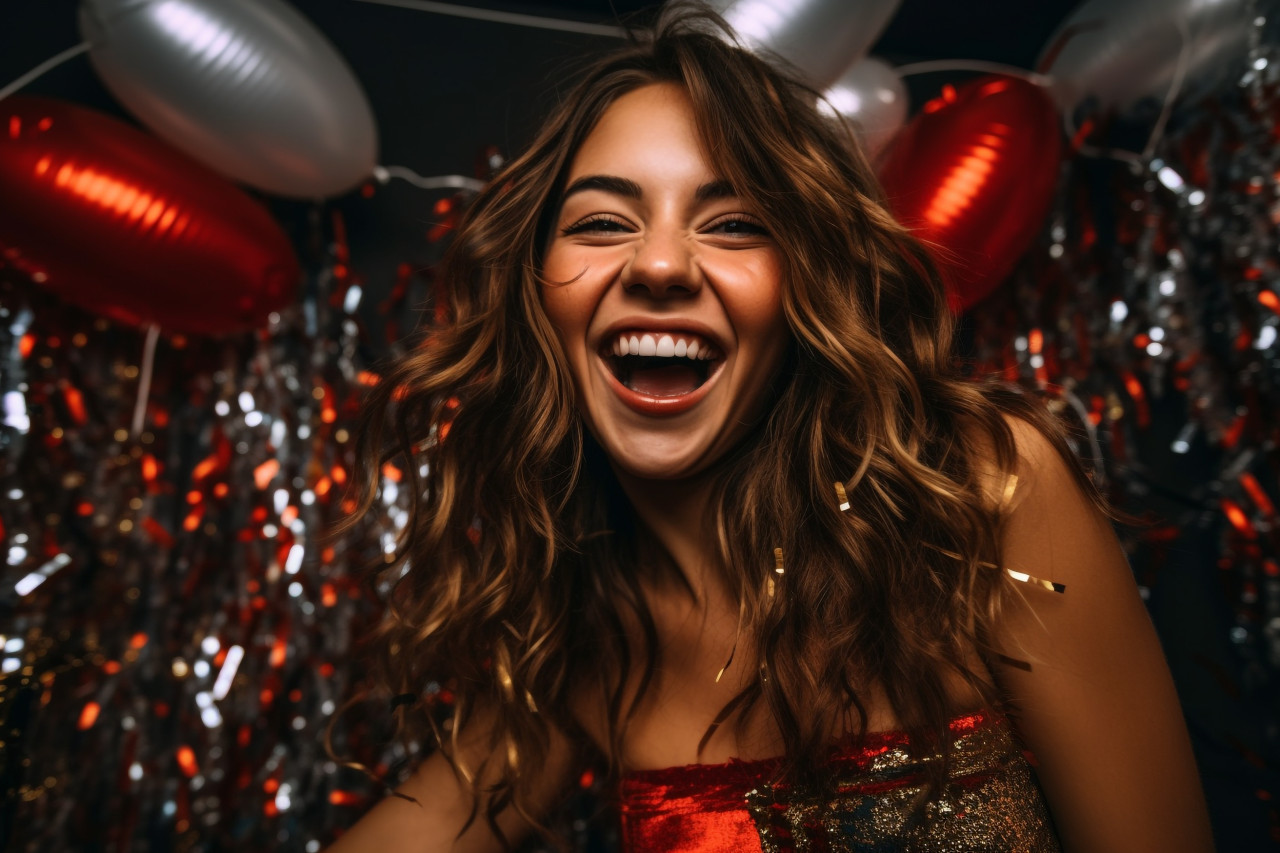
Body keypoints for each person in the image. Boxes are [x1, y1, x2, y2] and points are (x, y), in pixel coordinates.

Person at [328, 5, 1213, 851]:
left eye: (736, 224)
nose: (662, 263)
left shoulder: (982, 493)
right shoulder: (589, 630)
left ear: (804, 294)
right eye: (602, 221)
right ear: (537, 291)